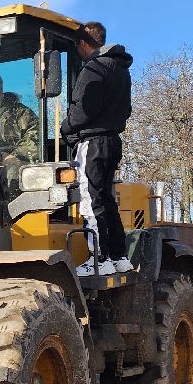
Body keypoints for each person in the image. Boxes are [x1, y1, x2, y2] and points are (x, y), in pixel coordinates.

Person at [62, 21, 134, 276]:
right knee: (106, 199)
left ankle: (98, 259)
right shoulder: (121, 70)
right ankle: (119, 256)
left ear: (83, 43)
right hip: (113, 141)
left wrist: (66, 128)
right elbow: (126, 110)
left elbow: (84, 110)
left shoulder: (92, 69)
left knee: (90, 199)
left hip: (92, 143)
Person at [0, 74, 42, 163]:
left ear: (2, 92)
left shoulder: (20, 113)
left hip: (10, 163)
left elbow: (36, 137)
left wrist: (15, 156)